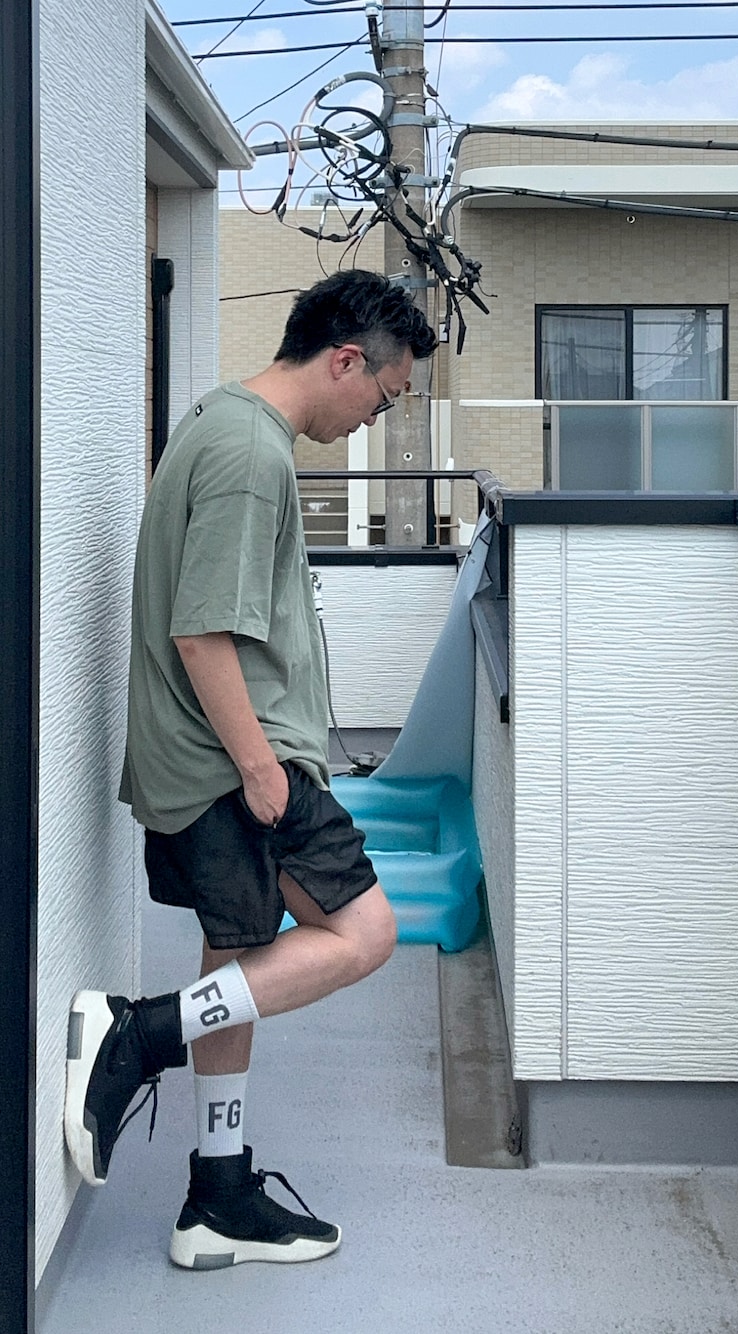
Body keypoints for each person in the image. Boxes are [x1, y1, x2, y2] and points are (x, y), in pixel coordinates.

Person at [63, 270, 438, 1270]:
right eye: (384, 397)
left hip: (215, 763)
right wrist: (262, 767)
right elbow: (202, 631)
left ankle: (217, 1195)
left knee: (237, 960)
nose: (372, 420)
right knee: (365, 932)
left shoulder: (222, 421)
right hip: (234, 767)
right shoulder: (248, 454)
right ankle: (137, 1038)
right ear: (346, 360)